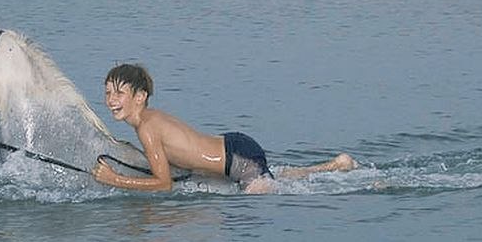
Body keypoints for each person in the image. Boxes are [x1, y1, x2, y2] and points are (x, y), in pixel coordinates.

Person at [91, 64, 357, 194]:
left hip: (237, 160)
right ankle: (335, 165)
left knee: (271, 193)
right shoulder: (149, 121)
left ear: (140, 97)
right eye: (107, 93)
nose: (111, 100)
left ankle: (357, 178)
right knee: (274, 177)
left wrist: (114, 180)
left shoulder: (147, 127)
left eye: (119, 93)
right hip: (235, 149)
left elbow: (163, 185)